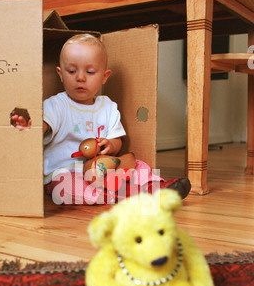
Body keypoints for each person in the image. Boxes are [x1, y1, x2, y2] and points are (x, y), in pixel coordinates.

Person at [12, 34, 190, 204]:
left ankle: (158, 186)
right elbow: (41, 127)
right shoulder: (56, 105)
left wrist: (110, 145)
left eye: (90, 72)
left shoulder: (108, 107)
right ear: (60, 74)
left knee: (139, 164)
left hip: (103, 169)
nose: (80, 78)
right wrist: (27, 125)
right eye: (72, 71)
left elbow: (117, 140)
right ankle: (123, 195)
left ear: (104, 76)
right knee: (69, 188)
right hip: (65, 173)